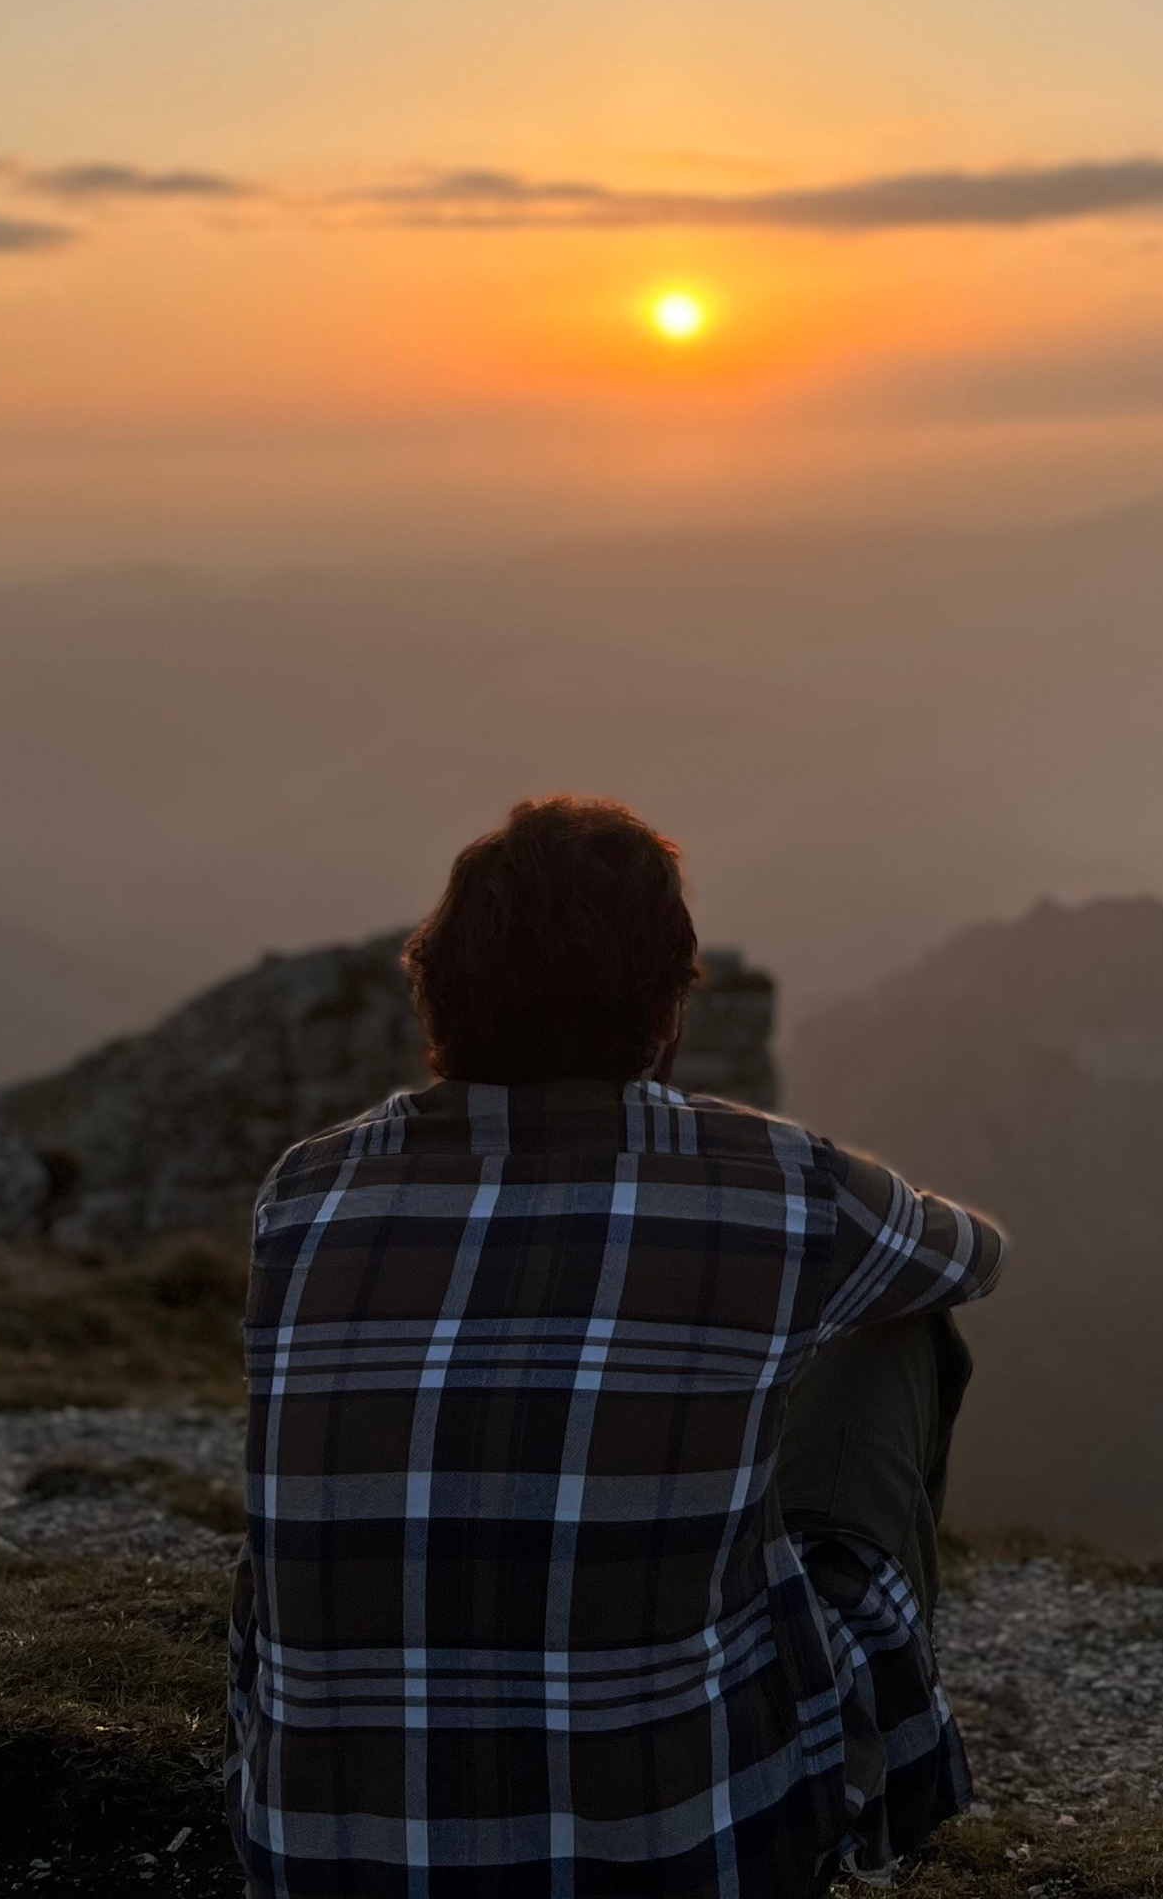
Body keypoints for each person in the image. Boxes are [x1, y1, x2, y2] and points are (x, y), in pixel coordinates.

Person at [227, 796, 1005, 1899]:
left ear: (436, 992)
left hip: (324, 1861)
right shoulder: (781, 1182)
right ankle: (868, 1780)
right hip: (686, 1856)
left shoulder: (304, 1188)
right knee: (900, 1321)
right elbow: (973, 1256)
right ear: (666, 1013)